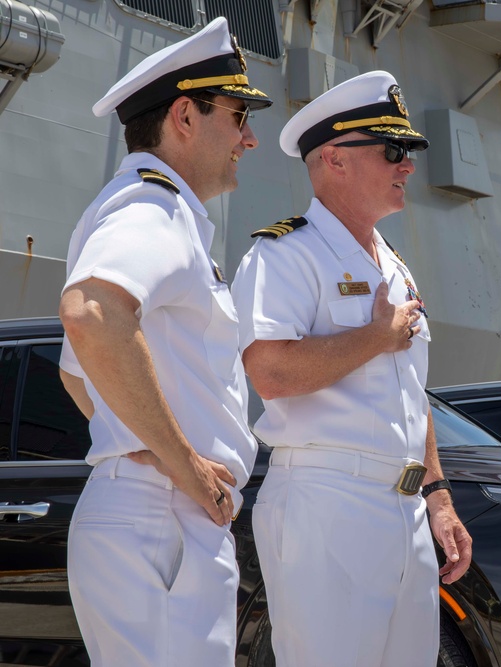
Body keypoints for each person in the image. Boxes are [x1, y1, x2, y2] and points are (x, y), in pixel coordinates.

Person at [230, 70, 472, 667]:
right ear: (334, 160)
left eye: (408, 151)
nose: (407, 165)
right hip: (325, 501)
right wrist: (375, 337)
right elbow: (270, 374)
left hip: (405, 506)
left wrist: (438, 495)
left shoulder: (394, 263)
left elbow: (411, 394)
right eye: (392, 150)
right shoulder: (285, 253)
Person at [57, 17, 271, 667]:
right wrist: (183, 463)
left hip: (161, 519)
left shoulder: (152, 210)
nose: (249, 138)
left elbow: (76, 375)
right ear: (185, 115)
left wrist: (147, 442)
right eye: (238, 116)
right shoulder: (153, 208)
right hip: (164, 518)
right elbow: (91, 315)